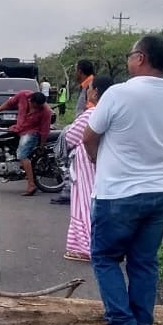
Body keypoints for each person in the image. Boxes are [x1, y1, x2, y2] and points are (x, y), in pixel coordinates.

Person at [83, 35, 163, 325]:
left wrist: (96, 160)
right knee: (144, 263)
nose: (129, 59)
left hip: (119, 193)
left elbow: (89, 136)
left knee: (105, 258)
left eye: (131, 55)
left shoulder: (118, 93)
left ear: (140, 58)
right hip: (161, 191)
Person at [61, 74, 114, 261]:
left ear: (96, 93)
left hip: (88, 166)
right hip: (108, 166)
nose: (87, 91)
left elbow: (70, 138)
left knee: (84, 205)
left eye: (89, 88)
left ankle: (85, 248)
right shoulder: (115, 113)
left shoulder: (91, 114)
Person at [0, 86, 52, 195]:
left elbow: (45, 130)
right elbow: (8, 104)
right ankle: (16, 166)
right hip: (18, 129)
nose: (36, 109)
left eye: (38, 107)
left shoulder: (45, 111)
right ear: (30, 100)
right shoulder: (22, 95)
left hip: (31, 132)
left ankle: (31, 184)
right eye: (35, 106)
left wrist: (42, 145)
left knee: (21, 155)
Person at [51, 59, 95, 205]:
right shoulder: (87, 85)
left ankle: (68, 189)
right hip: (84, 124)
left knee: (65, 151)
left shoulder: (91, 86)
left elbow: (91, 109)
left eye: (76, 70)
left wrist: (79, 125)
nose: (75, 73)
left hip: (86, 126)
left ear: (80, 71)